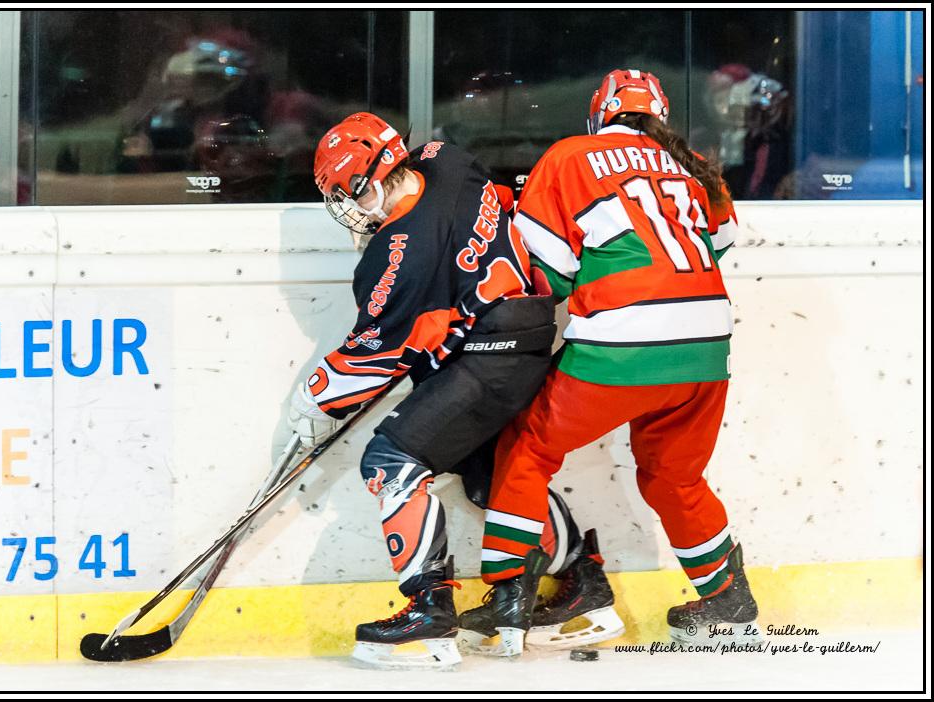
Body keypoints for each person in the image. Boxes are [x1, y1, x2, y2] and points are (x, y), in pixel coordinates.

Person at [287, 112, 622, 669]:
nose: (347, 208)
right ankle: (583, 584)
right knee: (494, 478)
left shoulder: (394, 258)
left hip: (488, 358)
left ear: (370, 179)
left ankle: (428, 616)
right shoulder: (447, 159)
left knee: (391, 460)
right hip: (529, 335)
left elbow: (371, 358)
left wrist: (313, 403)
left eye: (347, 193)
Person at [459, 69, 758, 652]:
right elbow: (716, 246)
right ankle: (727, 594)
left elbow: (543, 273)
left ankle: (508, 597)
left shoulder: (572, 155)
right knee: (675, 476)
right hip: (706, 348)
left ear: (599, 114)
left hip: (622, 346)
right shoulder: (696, 163)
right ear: (660, 116)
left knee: (527, 445)